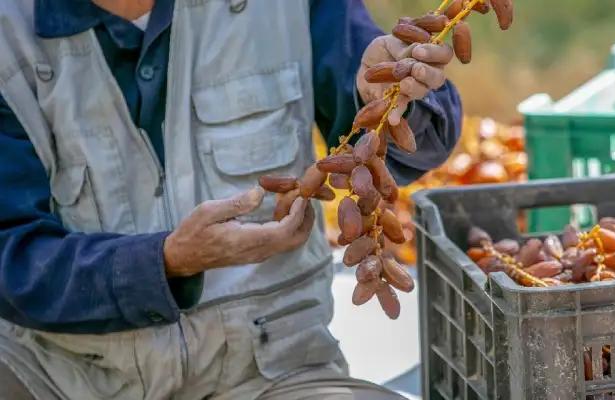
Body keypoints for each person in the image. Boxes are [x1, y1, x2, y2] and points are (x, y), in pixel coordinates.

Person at [0, 0, 461, 399]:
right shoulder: (8, 33)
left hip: (271, 371)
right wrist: (165, 262)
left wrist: (388, 94)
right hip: (56, 376)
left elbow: (415, 139)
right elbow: (10, 257)